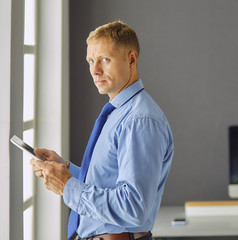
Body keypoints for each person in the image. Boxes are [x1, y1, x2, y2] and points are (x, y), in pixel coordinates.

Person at [30, 21, 174, 240]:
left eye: (105, 60)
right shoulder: (119, 112)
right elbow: (109, 183)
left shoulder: (139, 120)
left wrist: (68, 186)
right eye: (90, 61)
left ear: (131, 59)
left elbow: (133, 207)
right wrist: (66, 170)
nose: (95, 70)